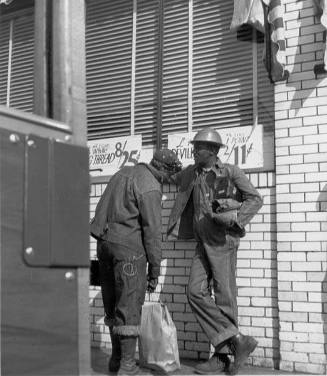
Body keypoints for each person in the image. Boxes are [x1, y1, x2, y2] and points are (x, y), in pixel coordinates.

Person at [167, 127, 263, 375]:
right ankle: (238, 339)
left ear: (212, 150)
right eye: (194, 146)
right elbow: (170, 177)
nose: (194, 150)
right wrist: (160, 165)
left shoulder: (230, 172)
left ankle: (222, 358)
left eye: (198, 147)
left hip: (223, 242)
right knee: (194, 291)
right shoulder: (191, 173)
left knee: (224, 296)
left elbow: (254, 198)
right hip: (202, 242)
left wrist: (236, 220)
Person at [90, 149, 181, 376]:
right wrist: (155, 269)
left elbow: (100, 211)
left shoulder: (122, 174)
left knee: (112, 305)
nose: (168, 180)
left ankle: (116, 360)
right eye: (169, 176)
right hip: (128, 252)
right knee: (129, 306)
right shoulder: (150, 186)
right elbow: (152, 232)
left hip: (104, 246)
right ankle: (128, 366)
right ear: (163, 169)